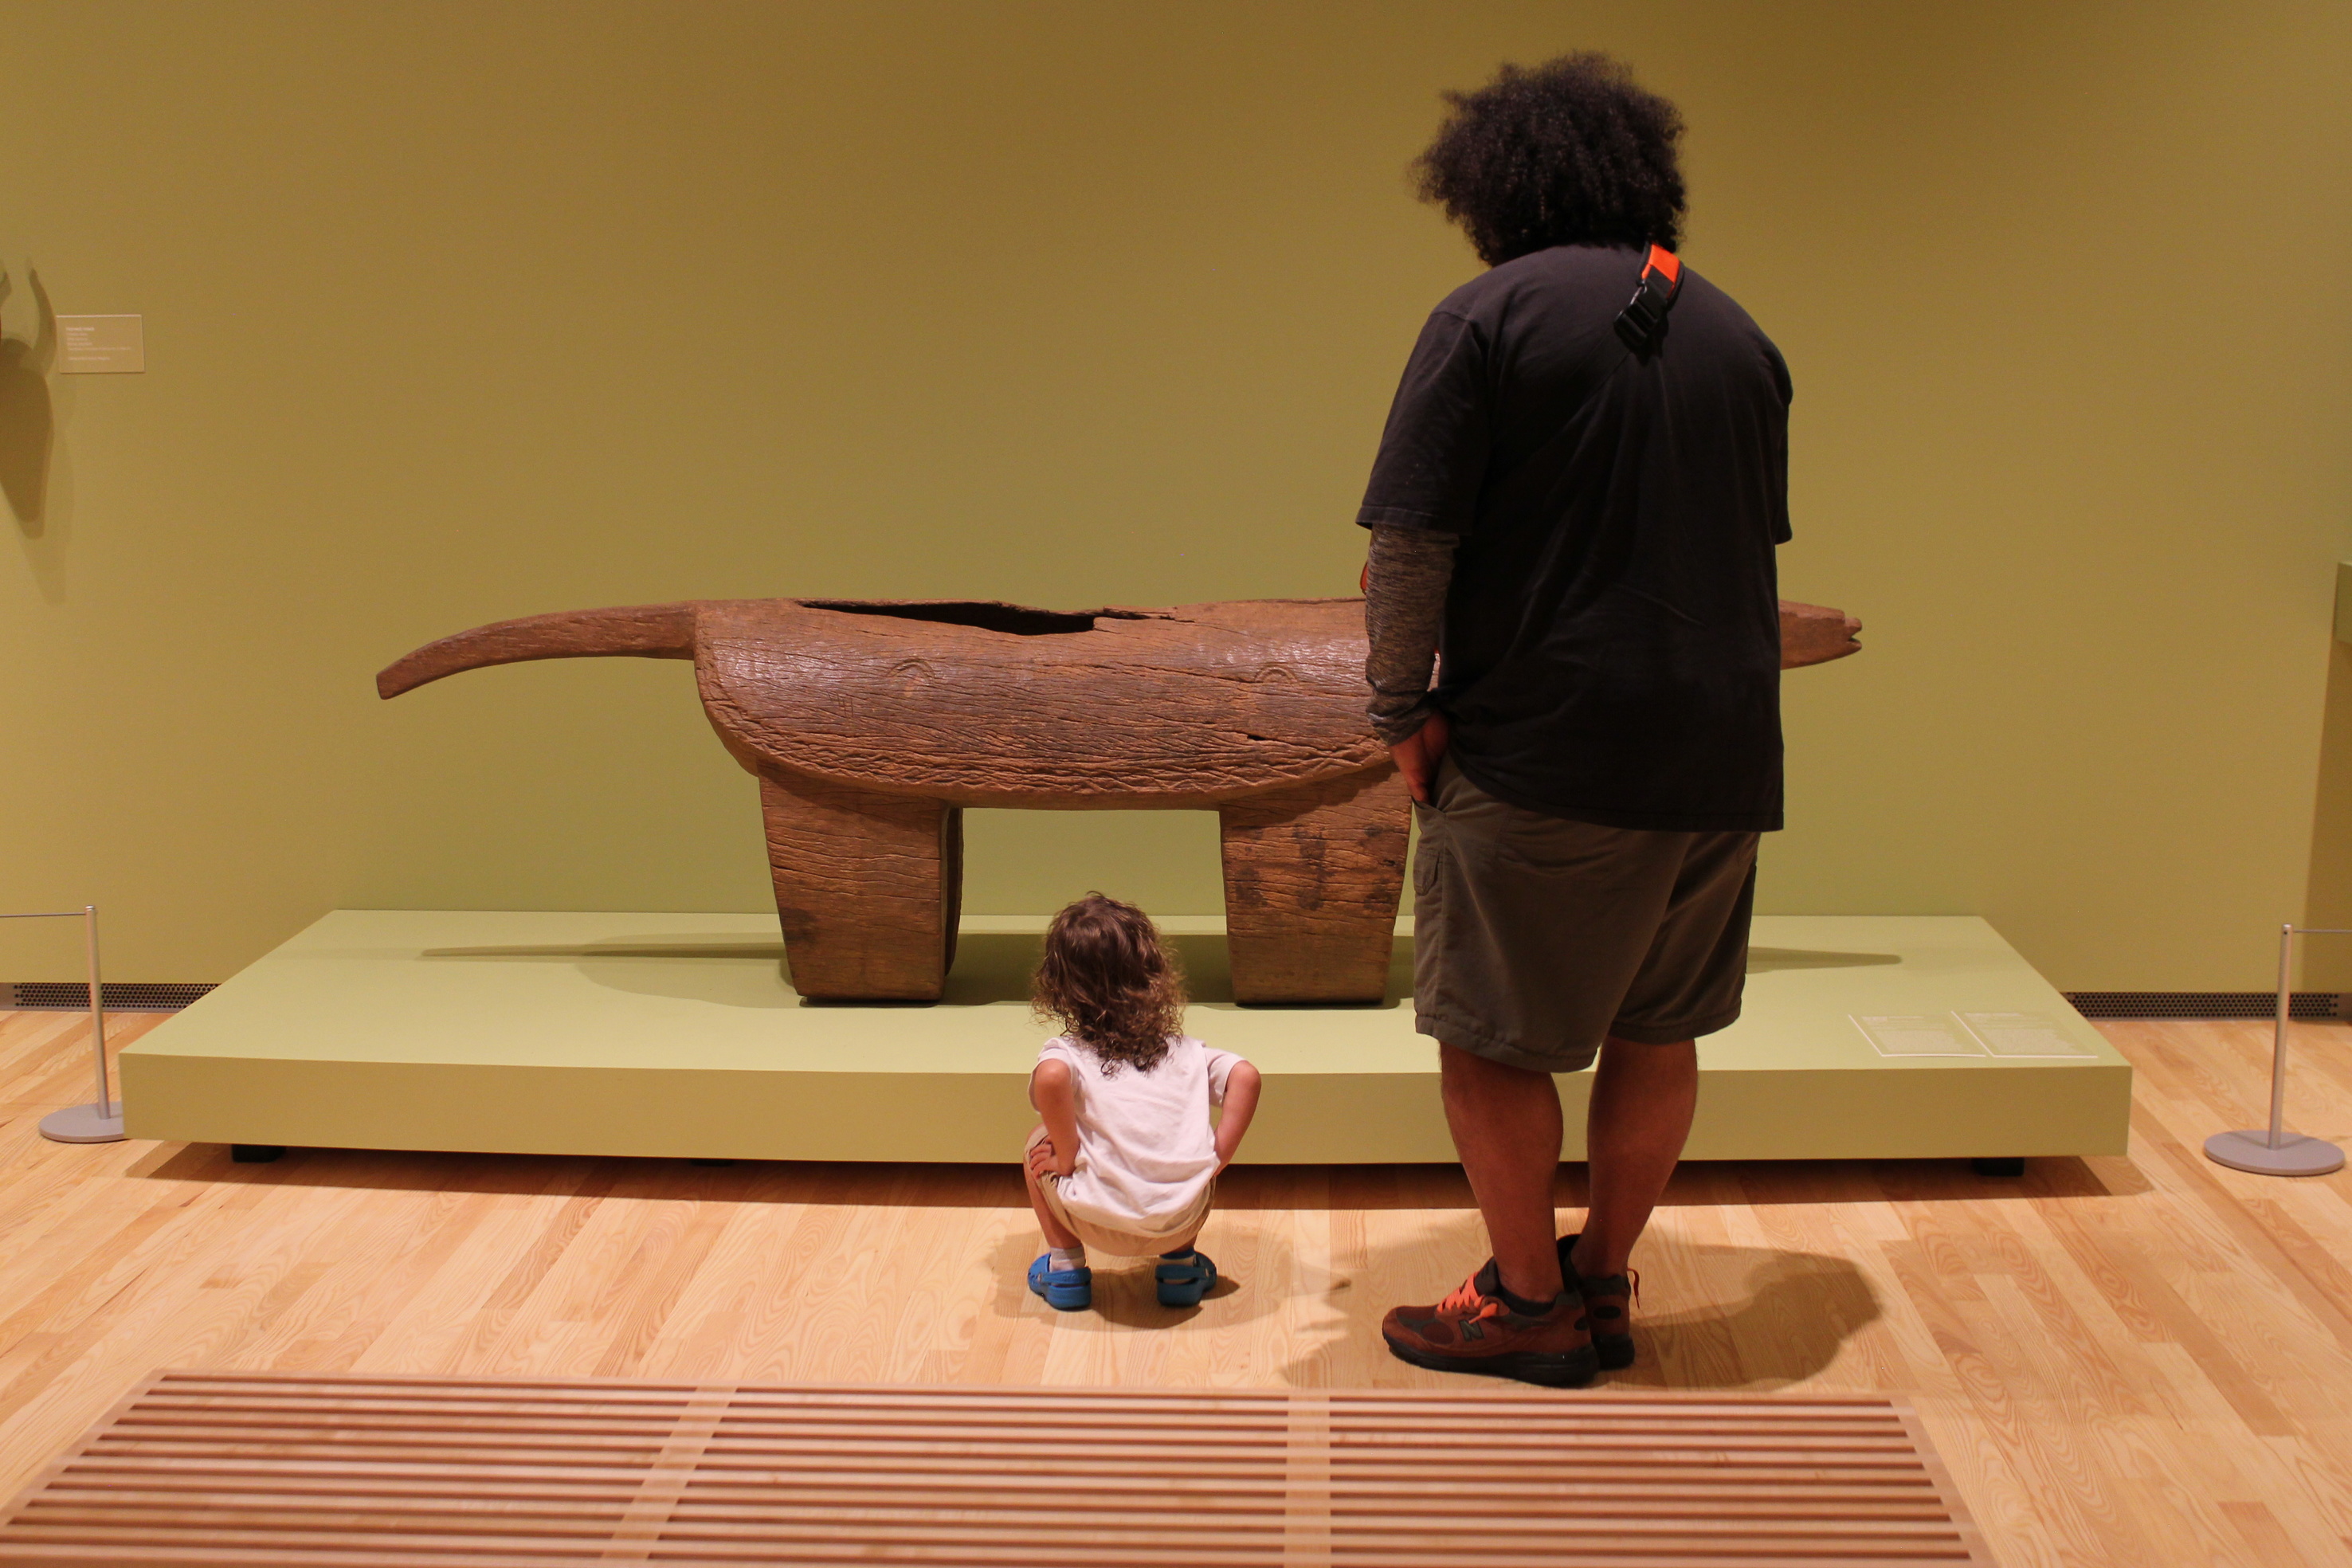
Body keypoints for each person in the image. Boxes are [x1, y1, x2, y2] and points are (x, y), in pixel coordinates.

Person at [1363, 55, 1794, 1387]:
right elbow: (1741, 552)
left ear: (1494, 186)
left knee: (1490, 1037)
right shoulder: (1736, 335)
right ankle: (1602, 1272)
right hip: (1723, 756)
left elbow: (1412, 544)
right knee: (1658, 1027)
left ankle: (1527, 1304)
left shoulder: (1484, 315)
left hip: (1545, 748)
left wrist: (1398, 708)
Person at [1022, 893, 1263, 1313]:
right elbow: (1246, 1075)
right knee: (1191, 1144)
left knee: (1036, 1144)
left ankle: (1065, 1272)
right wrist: (1217, 1157)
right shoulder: (1186, 1052)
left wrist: (1065, 1157)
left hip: (1094, 1219)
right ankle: (1181, 1271)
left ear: (1059, 984)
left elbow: (1051, 1077)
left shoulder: (1069, 1053)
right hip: (1179, 1220)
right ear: (1153, 971)